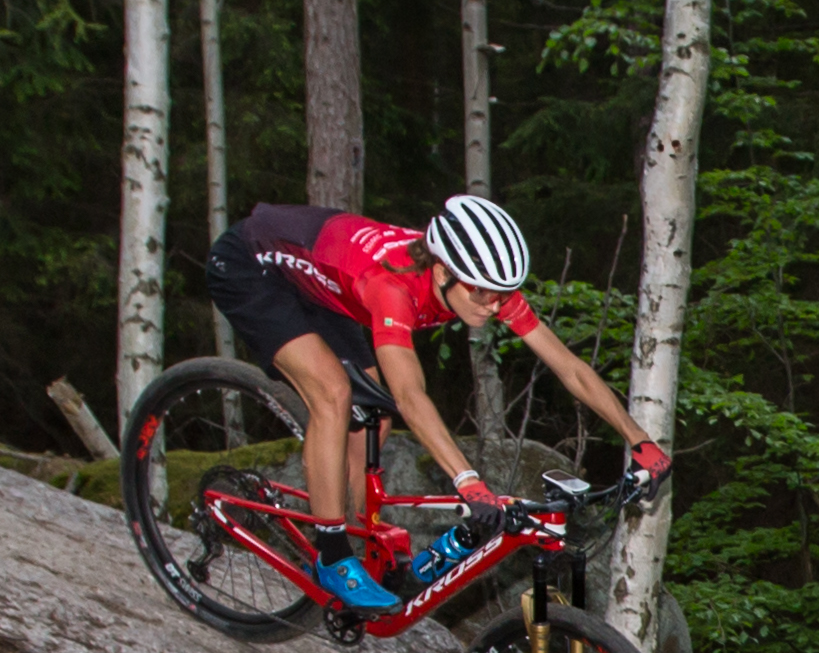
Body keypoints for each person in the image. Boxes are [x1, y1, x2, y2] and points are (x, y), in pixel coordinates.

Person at [196, 192, 663, 612]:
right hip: (251, 266)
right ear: (442, 271)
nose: (492, 306)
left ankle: (367, 552)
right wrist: (468, 481)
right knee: (333, 395)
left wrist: (639, 440)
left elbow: (570, 367)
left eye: (502, 294)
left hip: (320, 281)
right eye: (481, 292)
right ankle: (333, 554)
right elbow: (410, 394)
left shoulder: (482, 287)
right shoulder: (393, 288)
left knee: (371, 420)